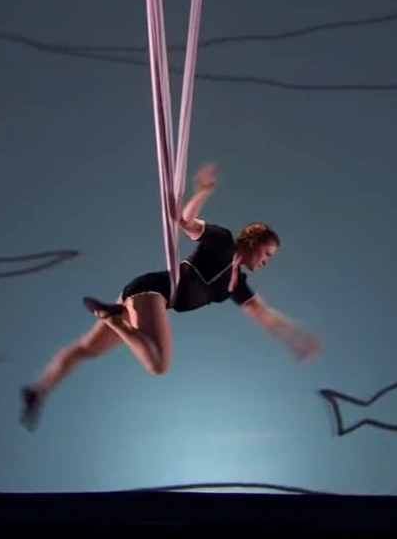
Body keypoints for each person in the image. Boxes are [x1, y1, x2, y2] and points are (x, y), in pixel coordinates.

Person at [21, 162, 320, 430]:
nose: (266, 261)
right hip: (153, 292)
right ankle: (114, 319)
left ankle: (39, 390)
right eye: (267, 254)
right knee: (158, 364)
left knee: (87, 349)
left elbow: (264, 315)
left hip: (143, 296)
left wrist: (297, 338)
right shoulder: (222, 241)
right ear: (253, 243)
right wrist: (202, 192)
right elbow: (185, 222)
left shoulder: (236, 285)